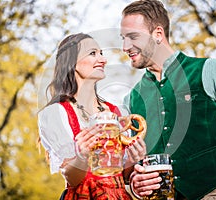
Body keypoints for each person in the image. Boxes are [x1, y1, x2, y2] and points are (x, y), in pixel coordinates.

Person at [120, 0, 216, 199]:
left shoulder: (209, 70)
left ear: (158, 34)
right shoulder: (131, 100)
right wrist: (135, 179)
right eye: (123, 39)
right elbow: (128, 166)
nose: (125, 47)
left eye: (132, 37)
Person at [37, 33, 146, 199]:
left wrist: (132, 160)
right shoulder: (56, 114)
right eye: (93, 53)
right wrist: (82, 155)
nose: (103, 59)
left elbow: (123, 177)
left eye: (101, 53)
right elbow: (72, 179)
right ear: (71, 62)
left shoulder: (117, 113)